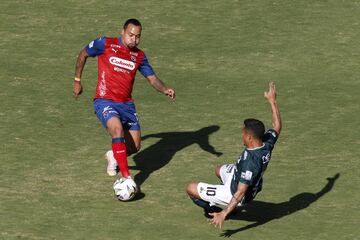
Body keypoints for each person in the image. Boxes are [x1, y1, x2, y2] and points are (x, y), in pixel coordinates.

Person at [73, 18, 175, 181]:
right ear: (122, 31)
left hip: (126, 105)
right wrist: (77, 80)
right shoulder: (104, 43)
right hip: (104, 100)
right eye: (131, 35)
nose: (134, 39)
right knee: (117, 130)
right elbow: (83, 54)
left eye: (138, 36)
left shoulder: (139, 56)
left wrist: (165, 89)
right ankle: (127, 178)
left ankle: (113, 155)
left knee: (135, 146)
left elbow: (152, 78)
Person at [186, 81, 282, 228]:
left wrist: (224, 213)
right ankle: (223, 203)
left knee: (191, 189)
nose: (241, 135)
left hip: (234, 192)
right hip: (237, 175)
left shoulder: (251, 163)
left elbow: (240, 192)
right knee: (218, 170)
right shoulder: (265, 143)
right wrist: (272, 101)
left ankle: (215, 209)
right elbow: (277, 126)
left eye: (243, 133)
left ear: (250, 137)